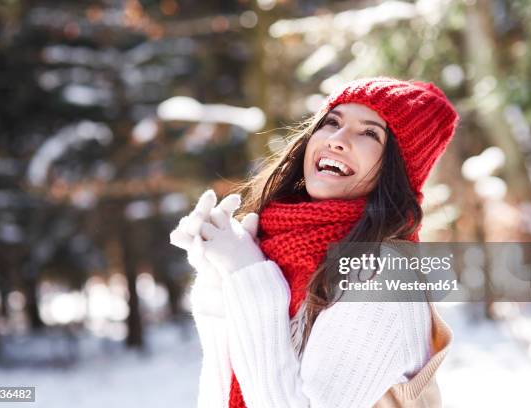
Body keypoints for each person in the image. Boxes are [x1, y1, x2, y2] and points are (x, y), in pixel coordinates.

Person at [170, 76, 458, 408]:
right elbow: (228, 387)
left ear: (397, 170)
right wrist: (218, 276)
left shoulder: (386, 277)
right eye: (331, 122)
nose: (337, 139)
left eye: (369, 133)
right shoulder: (281, 244)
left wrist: (247, 274)